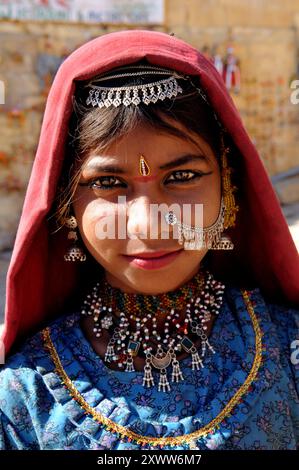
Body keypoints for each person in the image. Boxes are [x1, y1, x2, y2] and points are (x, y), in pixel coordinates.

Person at [0, 30, 298, 451]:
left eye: (181, 177)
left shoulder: (289, 350)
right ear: (67, 201)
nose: (147, 225)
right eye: (107, 182)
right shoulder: (23, 399)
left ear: (228, 186)